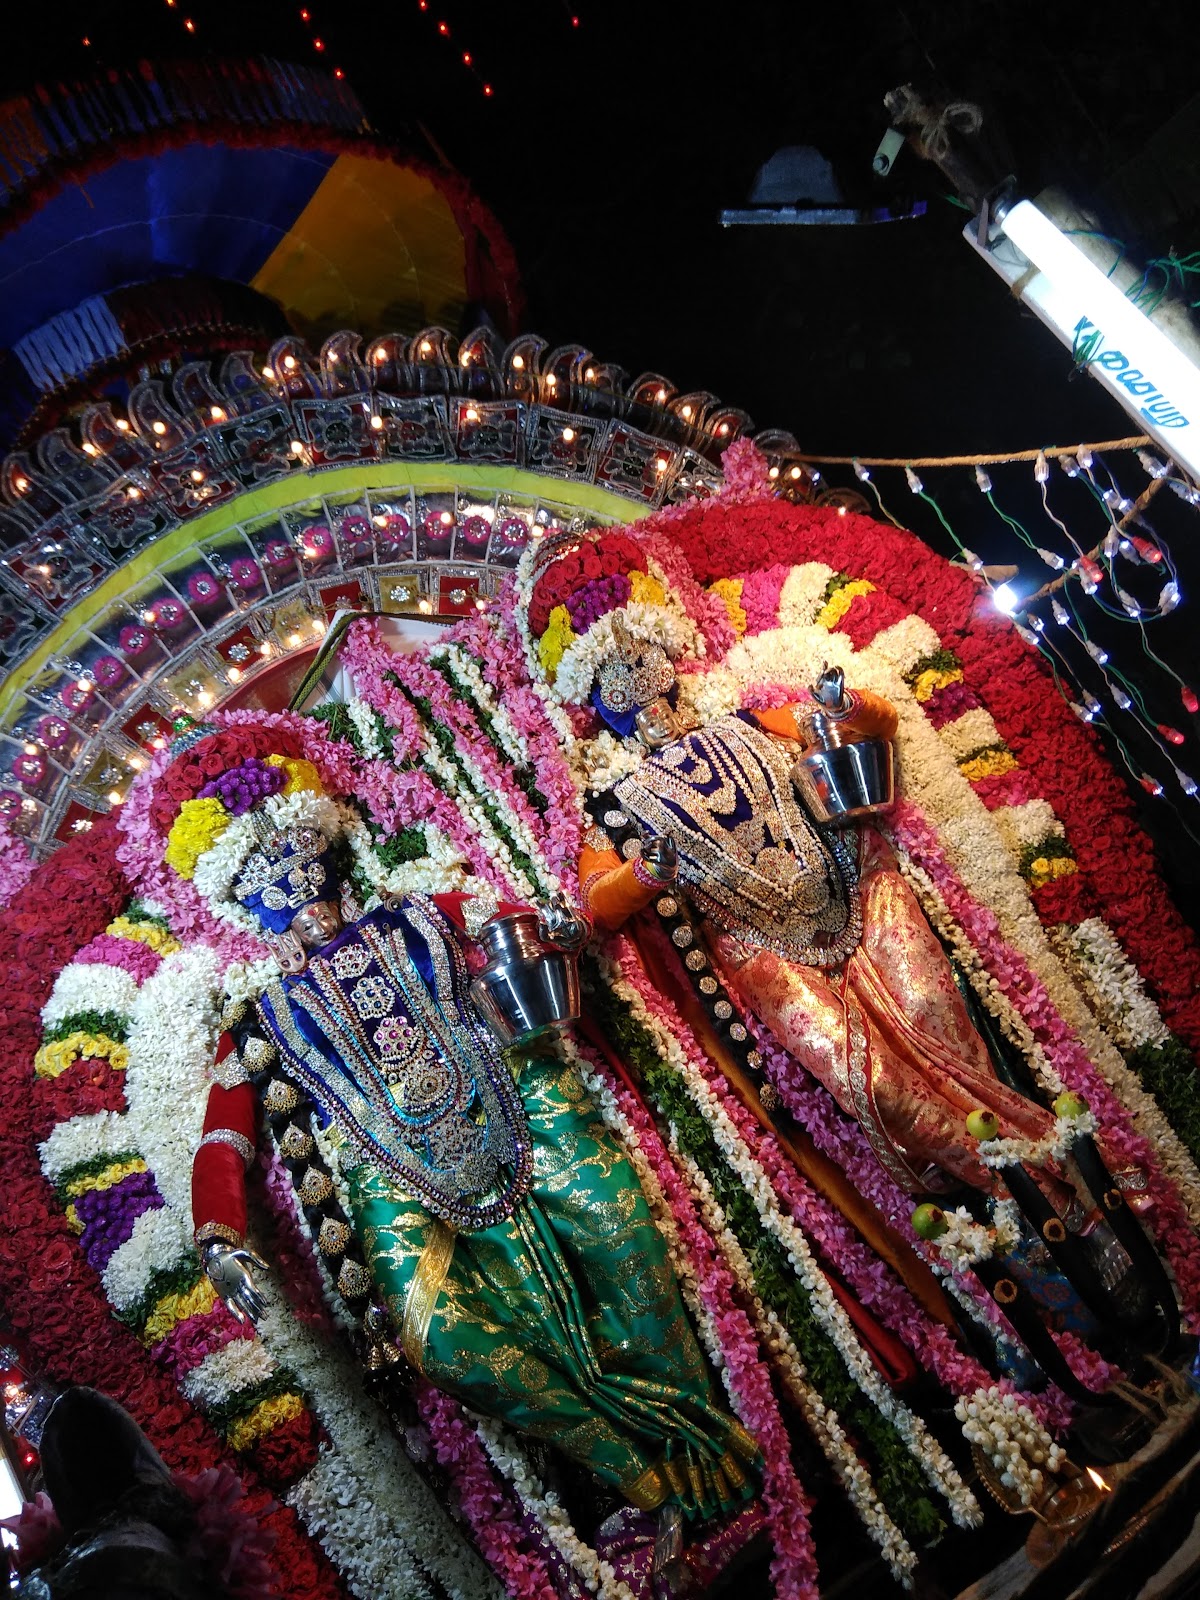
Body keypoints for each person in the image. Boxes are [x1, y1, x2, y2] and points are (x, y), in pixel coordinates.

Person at [142, 724, 759, 1551]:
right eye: (279, 890)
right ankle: (636, 1476)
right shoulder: (261, 1021)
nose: (308, 905)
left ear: (330, 861)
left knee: (622, 1236)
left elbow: (521, 923)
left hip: (519, 1104)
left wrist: (567, 921)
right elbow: (224, 1137)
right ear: (252, 914)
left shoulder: (420, 917)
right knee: (441, 1341)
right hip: (395, 1178)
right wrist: (218, 1238)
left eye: (307, 871)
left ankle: (698, 1436)